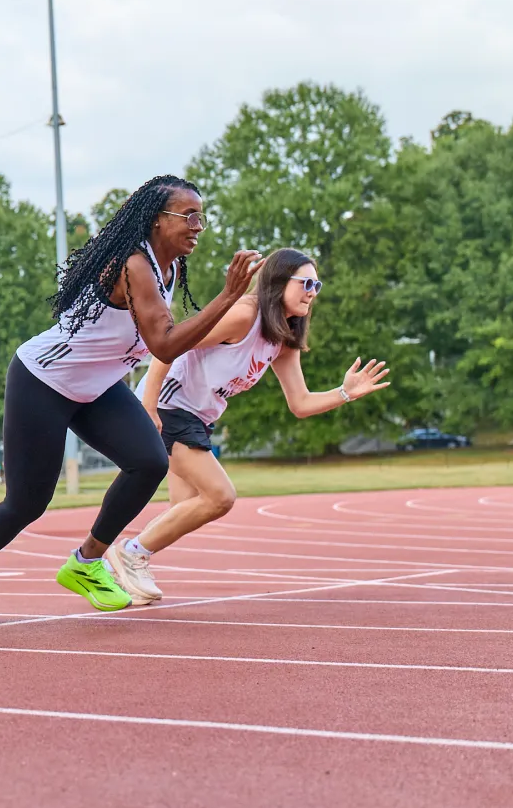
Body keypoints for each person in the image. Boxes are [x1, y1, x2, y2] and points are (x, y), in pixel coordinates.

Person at [0, 175, 261, 624]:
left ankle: (85, 563)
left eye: (202, 216)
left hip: (97, 386)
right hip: (43, 380)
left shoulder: (171, 267)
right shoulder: (134, 264)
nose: (199, 226)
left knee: (149, 461)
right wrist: (229, 296)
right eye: (190, 216)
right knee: (27, 502)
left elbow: (165, 335)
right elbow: (163, 344)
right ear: (158, 220)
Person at [109, 247, 391, 603]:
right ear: (276, 281)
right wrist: (148, 407)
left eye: (317, 285)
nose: (312, 292)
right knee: (220, 496)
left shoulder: (281, 339)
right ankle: (130, 553)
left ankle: (123, 563)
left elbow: (300, 403)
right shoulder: (244, 314)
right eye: (305, 283)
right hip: (169, 407)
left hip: (198, 417)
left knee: (185, 507)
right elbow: (170, 347)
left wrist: (344, 393)